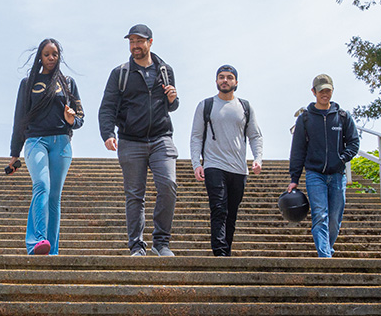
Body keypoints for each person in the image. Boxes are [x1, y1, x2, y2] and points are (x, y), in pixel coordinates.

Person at [98, 23, 181, 257]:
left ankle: (161, 243)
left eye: (139, 41)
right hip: (130, 140)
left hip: (161, 137)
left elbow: (170, 105)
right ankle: (136, 245)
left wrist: (174, 100)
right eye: (131, 41)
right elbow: (107, 107)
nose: (134, 45)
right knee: (135, 194)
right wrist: (107, 133)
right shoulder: (120, 73)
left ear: (150, 43)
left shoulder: (165, 70)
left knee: (168, 185)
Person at [7, 38, 84, 255]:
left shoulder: (68, 83)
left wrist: (71, 120)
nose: (51, 58)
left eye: (55, 54)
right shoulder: (28, 83)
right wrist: (14, 153)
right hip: (36, 141)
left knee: (54, 197)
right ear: (40, 56)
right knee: (41, 185)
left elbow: (80, 117)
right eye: (47, 54)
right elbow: (20, 119)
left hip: (61, 142)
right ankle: (37, 241)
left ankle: (52, 249)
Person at [190, 65, 263, 257]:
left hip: (239, 168)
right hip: (214, 165)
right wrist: (197, 164)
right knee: (219, 208)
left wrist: (258, 158)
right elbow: (196, 136)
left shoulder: (244, 107)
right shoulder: (206, 105)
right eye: (221, 77)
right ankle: (220, 252)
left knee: (231, 213)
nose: (225, 80)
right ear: (216, 81)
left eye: (229, 77)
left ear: (236, 82)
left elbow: (255, 136)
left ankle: (226, 251)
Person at [288, 73, 360, 258]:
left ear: (332, 91)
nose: (324, 94)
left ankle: (327, 249)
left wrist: (342, 158)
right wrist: (294, 179)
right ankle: (325, 257)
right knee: (320, 215)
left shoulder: (343, 117)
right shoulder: (305, 119)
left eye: (328, 90)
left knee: (334, 220)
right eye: (321, 91)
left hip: (337, 175)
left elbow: (353, 143)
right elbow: (297, 150)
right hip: (315, 174)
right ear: (314, 92)